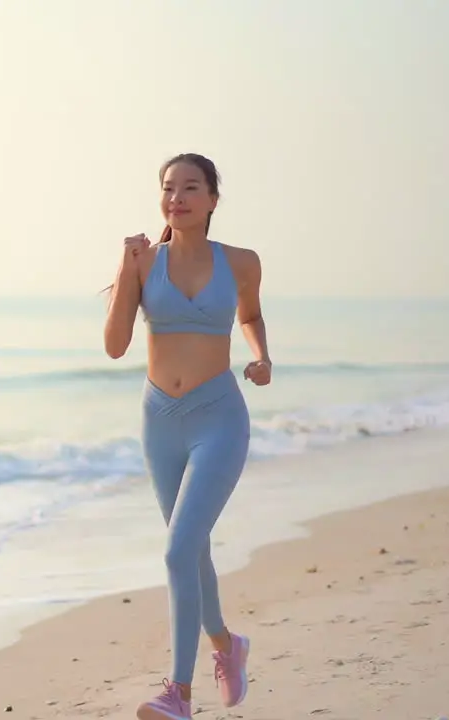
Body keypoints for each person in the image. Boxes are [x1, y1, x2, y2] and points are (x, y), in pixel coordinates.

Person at [102, 153, 271, 719]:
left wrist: (261, 356)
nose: (177, 198)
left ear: (213, 199)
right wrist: (127, 270)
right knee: (191, 552)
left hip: (219, 417)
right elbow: (115, 345)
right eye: (169, 188)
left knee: (177, 550)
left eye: (190, 188)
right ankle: (227, 644)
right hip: (160, 422)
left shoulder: (242, 262)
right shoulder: (145, 262)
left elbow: (249, 314)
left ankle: (179, 693)